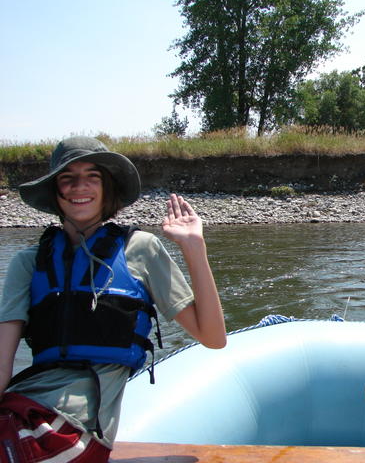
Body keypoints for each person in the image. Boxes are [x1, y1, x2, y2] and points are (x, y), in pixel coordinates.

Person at [0, 136, 227, 462]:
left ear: (107, 188)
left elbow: (214, 337)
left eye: (93, 177)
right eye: (68, 179)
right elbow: (2, 360)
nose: (80, 187)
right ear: (56, 191)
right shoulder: (27, 262)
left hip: (75, 428)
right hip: (22, 411)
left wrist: (194, 248)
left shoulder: (141, 249)